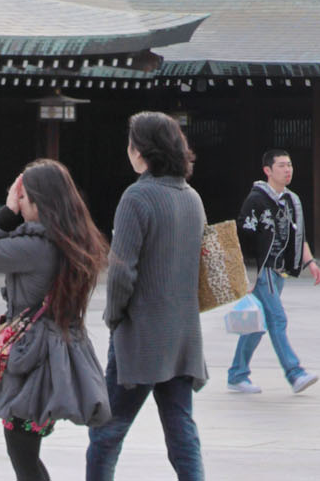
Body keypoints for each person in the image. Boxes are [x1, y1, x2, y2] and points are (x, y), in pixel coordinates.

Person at [0, 160, 113, 481]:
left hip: (33, 362)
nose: (21, 203)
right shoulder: (74, 240)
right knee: (25, 453)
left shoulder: (37, 246)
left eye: (24, 197)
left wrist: (6, 211)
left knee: (22, 455)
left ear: (39, 201)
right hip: (58, 355)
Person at [91, 110, 207, 481]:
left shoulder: (136, 197)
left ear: (141, 150)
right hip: (183, 333)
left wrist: (113, 316)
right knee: (181, 430)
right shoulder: (193, 198)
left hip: (140, 333)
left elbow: (122, 270)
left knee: (107, 431)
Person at [227, 149, 320, 394]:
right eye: (281, 165)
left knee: (258, 323)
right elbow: (243, 239)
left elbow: (299, 234)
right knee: (277, 318)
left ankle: (237, 374)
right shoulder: (256, 200)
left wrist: (310, 262)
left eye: (289, 165)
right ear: (268, 171)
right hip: (264, 271)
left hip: (280, 271)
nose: (287, 169)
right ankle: (295, 373)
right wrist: (247, 275)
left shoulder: (292, 200)